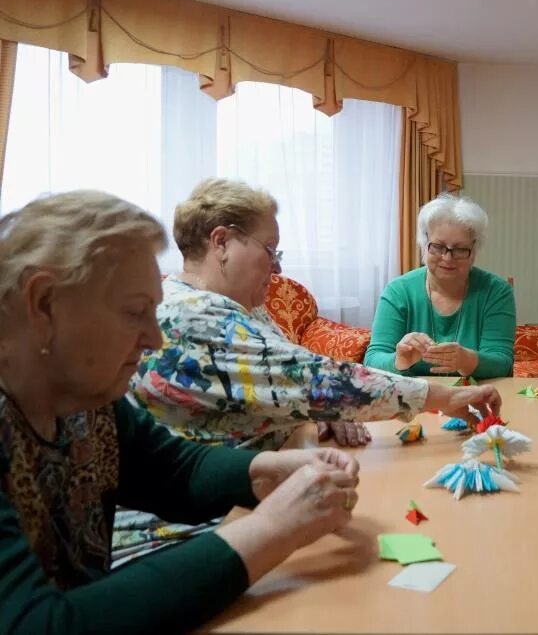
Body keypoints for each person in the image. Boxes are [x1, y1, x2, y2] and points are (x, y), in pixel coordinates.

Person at [0, 191, 363, 633]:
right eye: (135, 312)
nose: (154, 339)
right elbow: (38, 624)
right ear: (42, 305)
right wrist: (272, 529)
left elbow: (172, 470)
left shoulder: (85, 400)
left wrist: (271, 468)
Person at [121, 179, 501, 561]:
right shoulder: (195, 316)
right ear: (221, 242)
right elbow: (313, 379)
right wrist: (446, 397)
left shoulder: (241, 308)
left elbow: (290, 387)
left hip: (247, 495)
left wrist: (318, 408)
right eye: (270, 250)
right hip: (188, 529)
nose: (278, 266)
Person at [364, 194, 515, 379]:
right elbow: (372, 360)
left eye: (460, 249)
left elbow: (502, 363)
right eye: (438, 246)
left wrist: (467, 360)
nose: (447, 258)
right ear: (423, 244)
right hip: (414, 398)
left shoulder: (496, 292)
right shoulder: (398, 291)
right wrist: (399, 360)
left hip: (475, 398)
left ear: (474, 251)